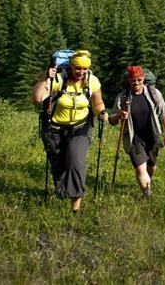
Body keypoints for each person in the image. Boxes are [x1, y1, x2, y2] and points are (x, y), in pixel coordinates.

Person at [31, 50, 109, 212]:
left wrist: (102, 112)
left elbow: (98, 102)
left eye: (85, 69)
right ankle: (61, 191)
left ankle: (75, 208)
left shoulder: (92, 81)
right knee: (58, 164)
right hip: (54, 129)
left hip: (81, 128)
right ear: (71, 67)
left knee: (76, 162)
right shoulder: (58, 79)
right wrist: (44, 78)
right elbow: (37, 99)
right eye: (78, 68)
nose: (81, 72)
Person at [108, 66, 165, 198]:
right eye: (133, 80)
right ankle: (148, 196)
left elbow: (164, 113)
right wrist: (119, 115)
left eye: (139, 80)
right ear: (128, 81)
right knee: (140, 168)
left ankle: (147, 182)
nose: (136, 83)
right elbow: (112, 120)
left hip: (151, 135)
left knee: (151, 166)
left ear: (143, 79)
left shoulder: (154, 93)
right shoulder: (123, 98)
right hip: (133, 138)